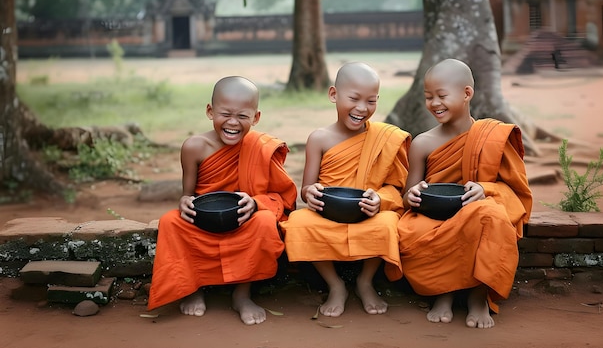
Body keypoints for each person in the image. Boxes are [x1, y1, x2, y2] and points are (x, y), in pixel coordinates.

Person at [385, 58, 533, 329]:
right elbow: (407, 195)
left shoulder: (492, 138)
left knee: (489, 215)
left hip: (473, 213)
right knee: (408, 232)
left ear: (467, 94)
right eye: (428, 97)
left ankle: (478, 297)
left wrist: (484, 189)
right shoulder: (422, 142)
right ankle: (442, 293)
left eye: (442, 96)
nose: (434, 103)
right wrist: (413, 195)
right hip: (431, 216)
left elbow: (515, 191)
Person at [147, 76, 298, 325]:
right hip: (204, 219)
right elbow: (188, 194)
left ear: (256, 117)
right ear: (210, 111)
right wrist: (185, 202)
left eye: (242, 116)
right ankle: (193, 289)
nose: (232, 123)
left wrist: (256, 203)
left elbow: (282, 197)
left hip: (243, 219)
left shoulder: (260, 146)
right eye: (225, 114)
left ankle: (242, 295)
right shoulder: (194, 147)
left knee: (263, 222)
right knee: (170, 222)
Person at [280, 62, 411, 317]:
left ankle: (365, 281)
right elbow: (306, 188)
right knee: (299, 222)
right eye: (354, 98)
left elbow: (395, 188)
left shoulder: (384, 138)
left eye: (371, 101)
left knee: (388, 223)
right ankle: (335, 285)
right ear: (333, 95)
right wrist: (312, 193)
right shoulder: (319, 138)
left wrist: (379, 199)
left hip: (367, 212)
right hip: (328, 212)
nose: (362, 108)